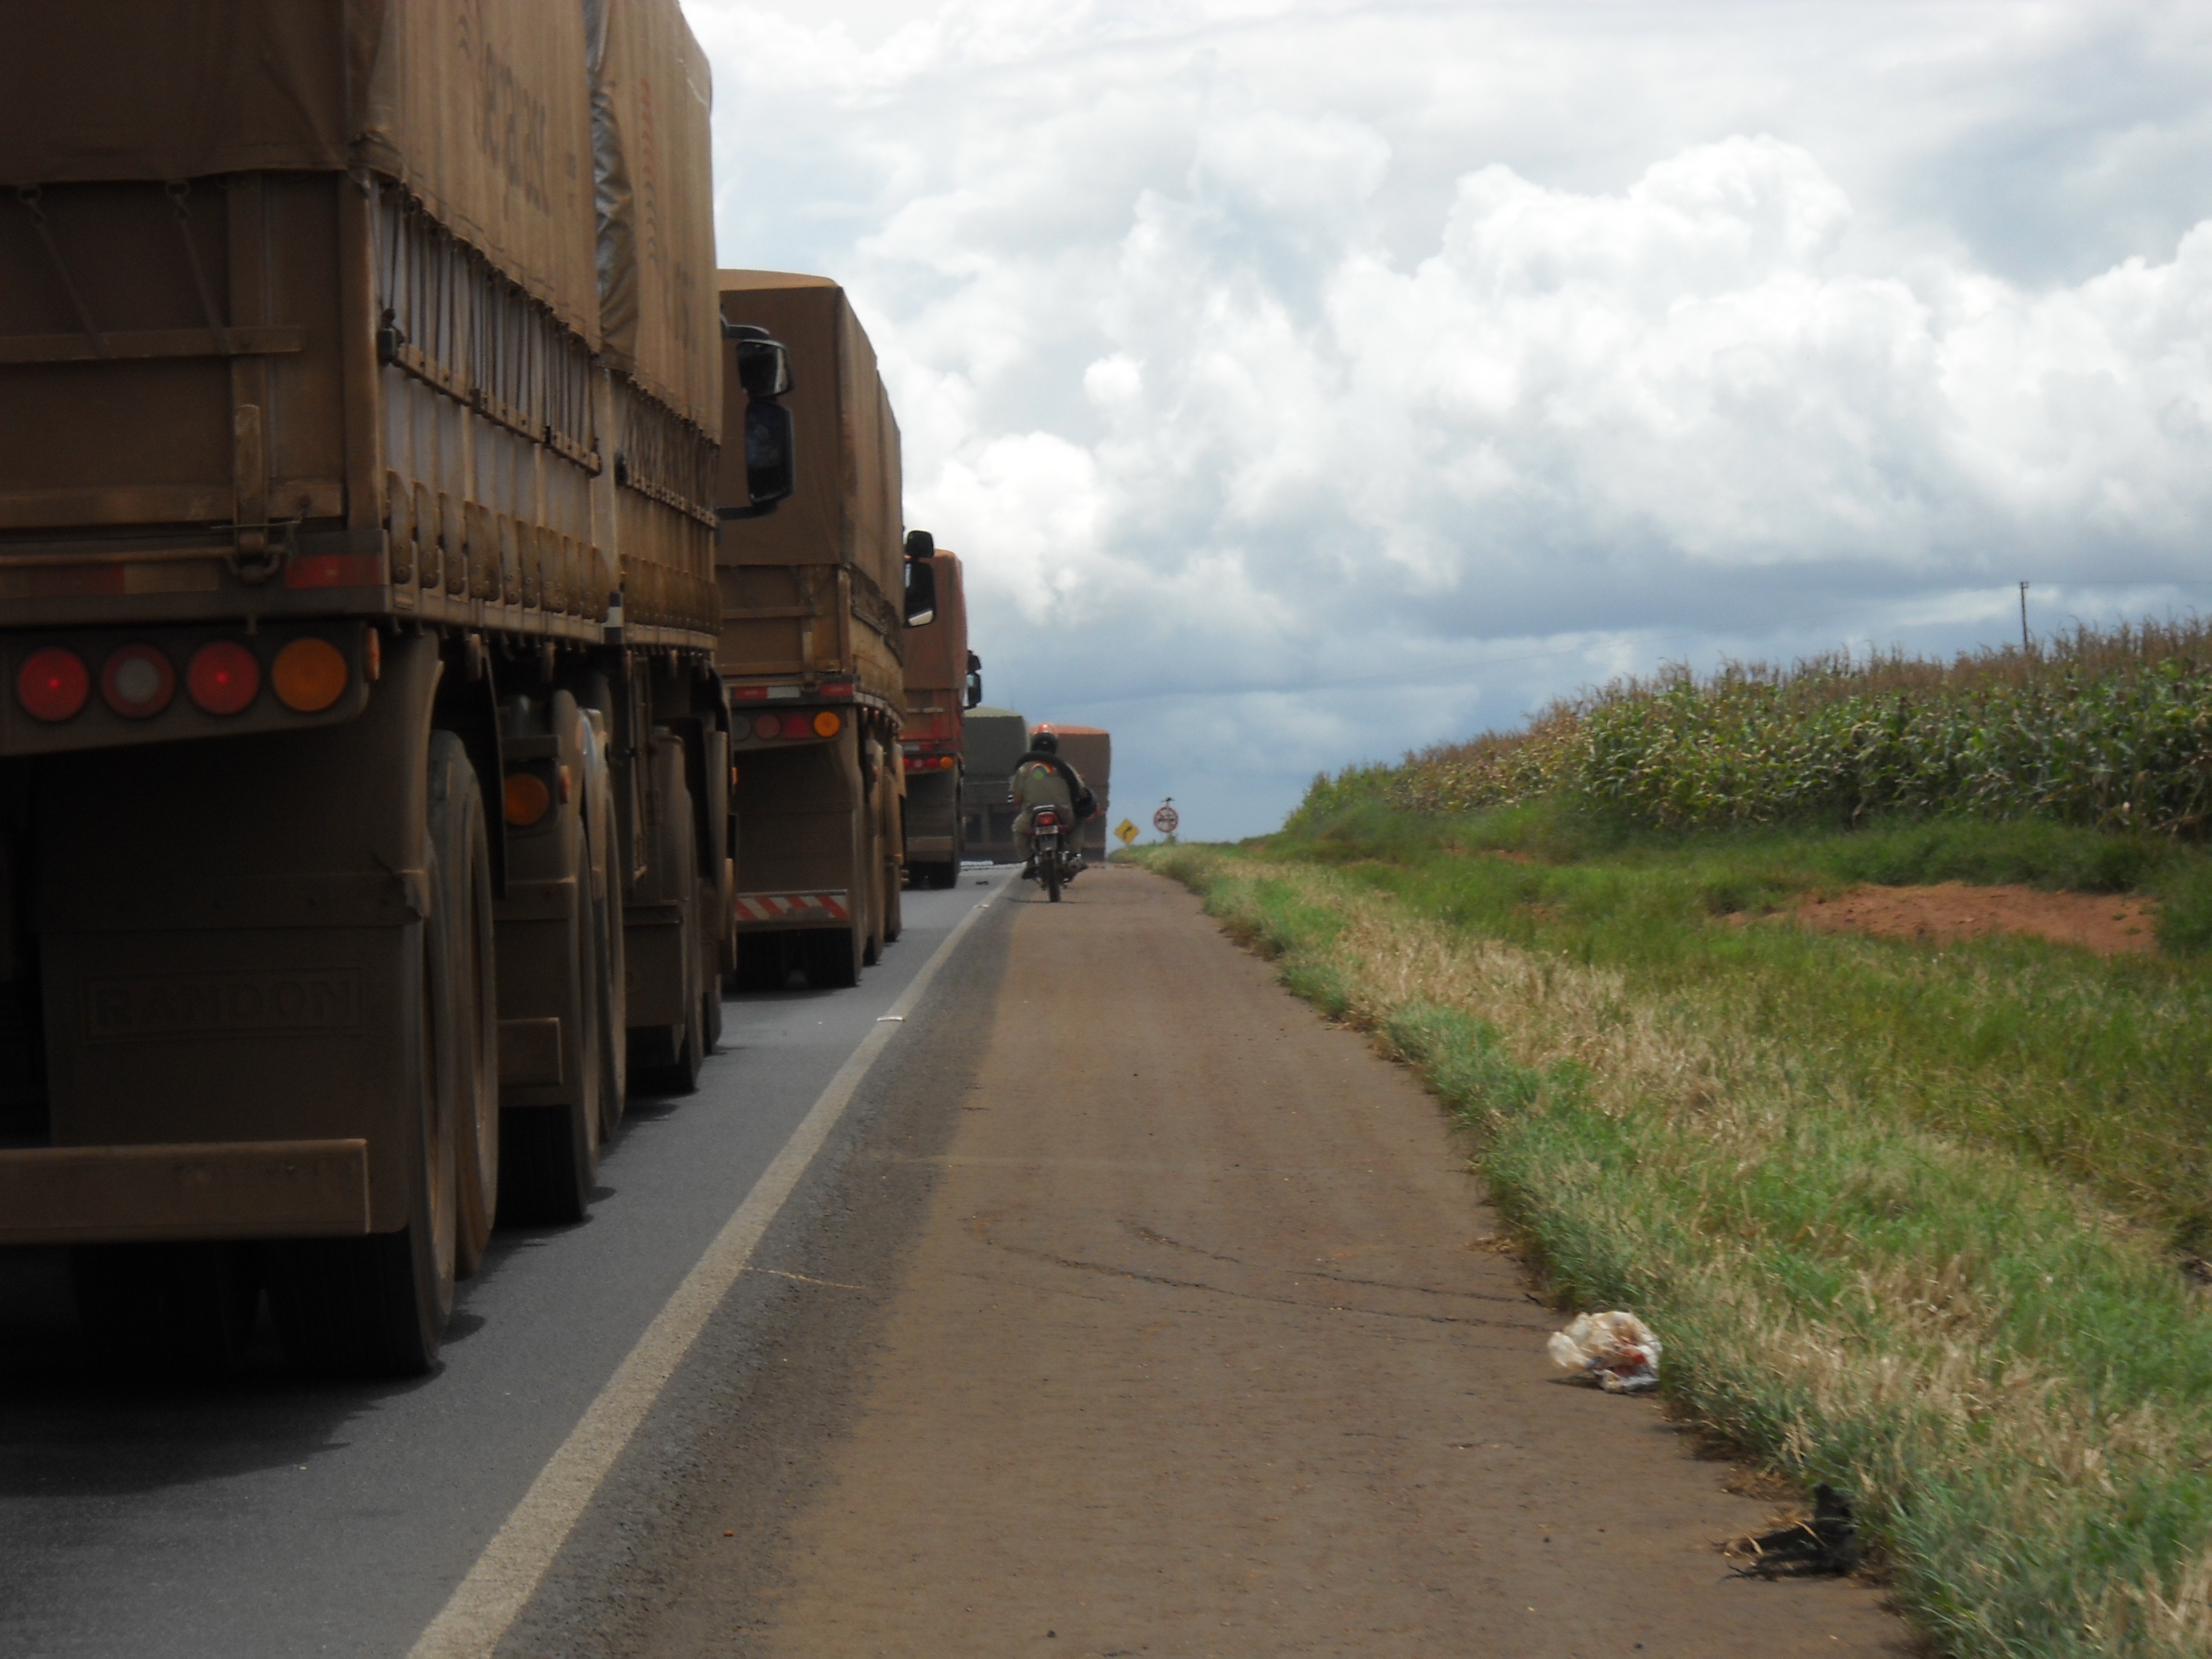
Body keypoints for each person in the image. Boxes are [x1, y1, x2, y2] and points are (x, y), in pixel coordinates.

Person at [1011, 727, 1092, 877]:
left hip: (1032, 815)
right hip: (1063, 812)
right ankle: (1074, 856)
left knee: (1018, 829)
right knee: (1078, 824)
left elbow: (1017, 798)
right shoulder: (1064, 767)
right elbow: (1081, 791)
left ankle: (1029, 861)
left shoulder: (1024, 769)